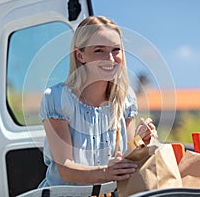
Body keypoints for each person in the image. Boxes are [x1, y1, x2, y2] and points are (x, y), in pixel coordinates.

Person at [38, 16, 156, 187]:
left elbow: (124, 155)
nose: (110, 58)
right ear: (80, 55)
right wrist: (106, 172)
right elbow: (66, 169)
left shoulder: (126, 99)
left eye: (116, 49)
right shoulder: (56, 98)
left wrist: (140, 140)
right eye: (99, 50)